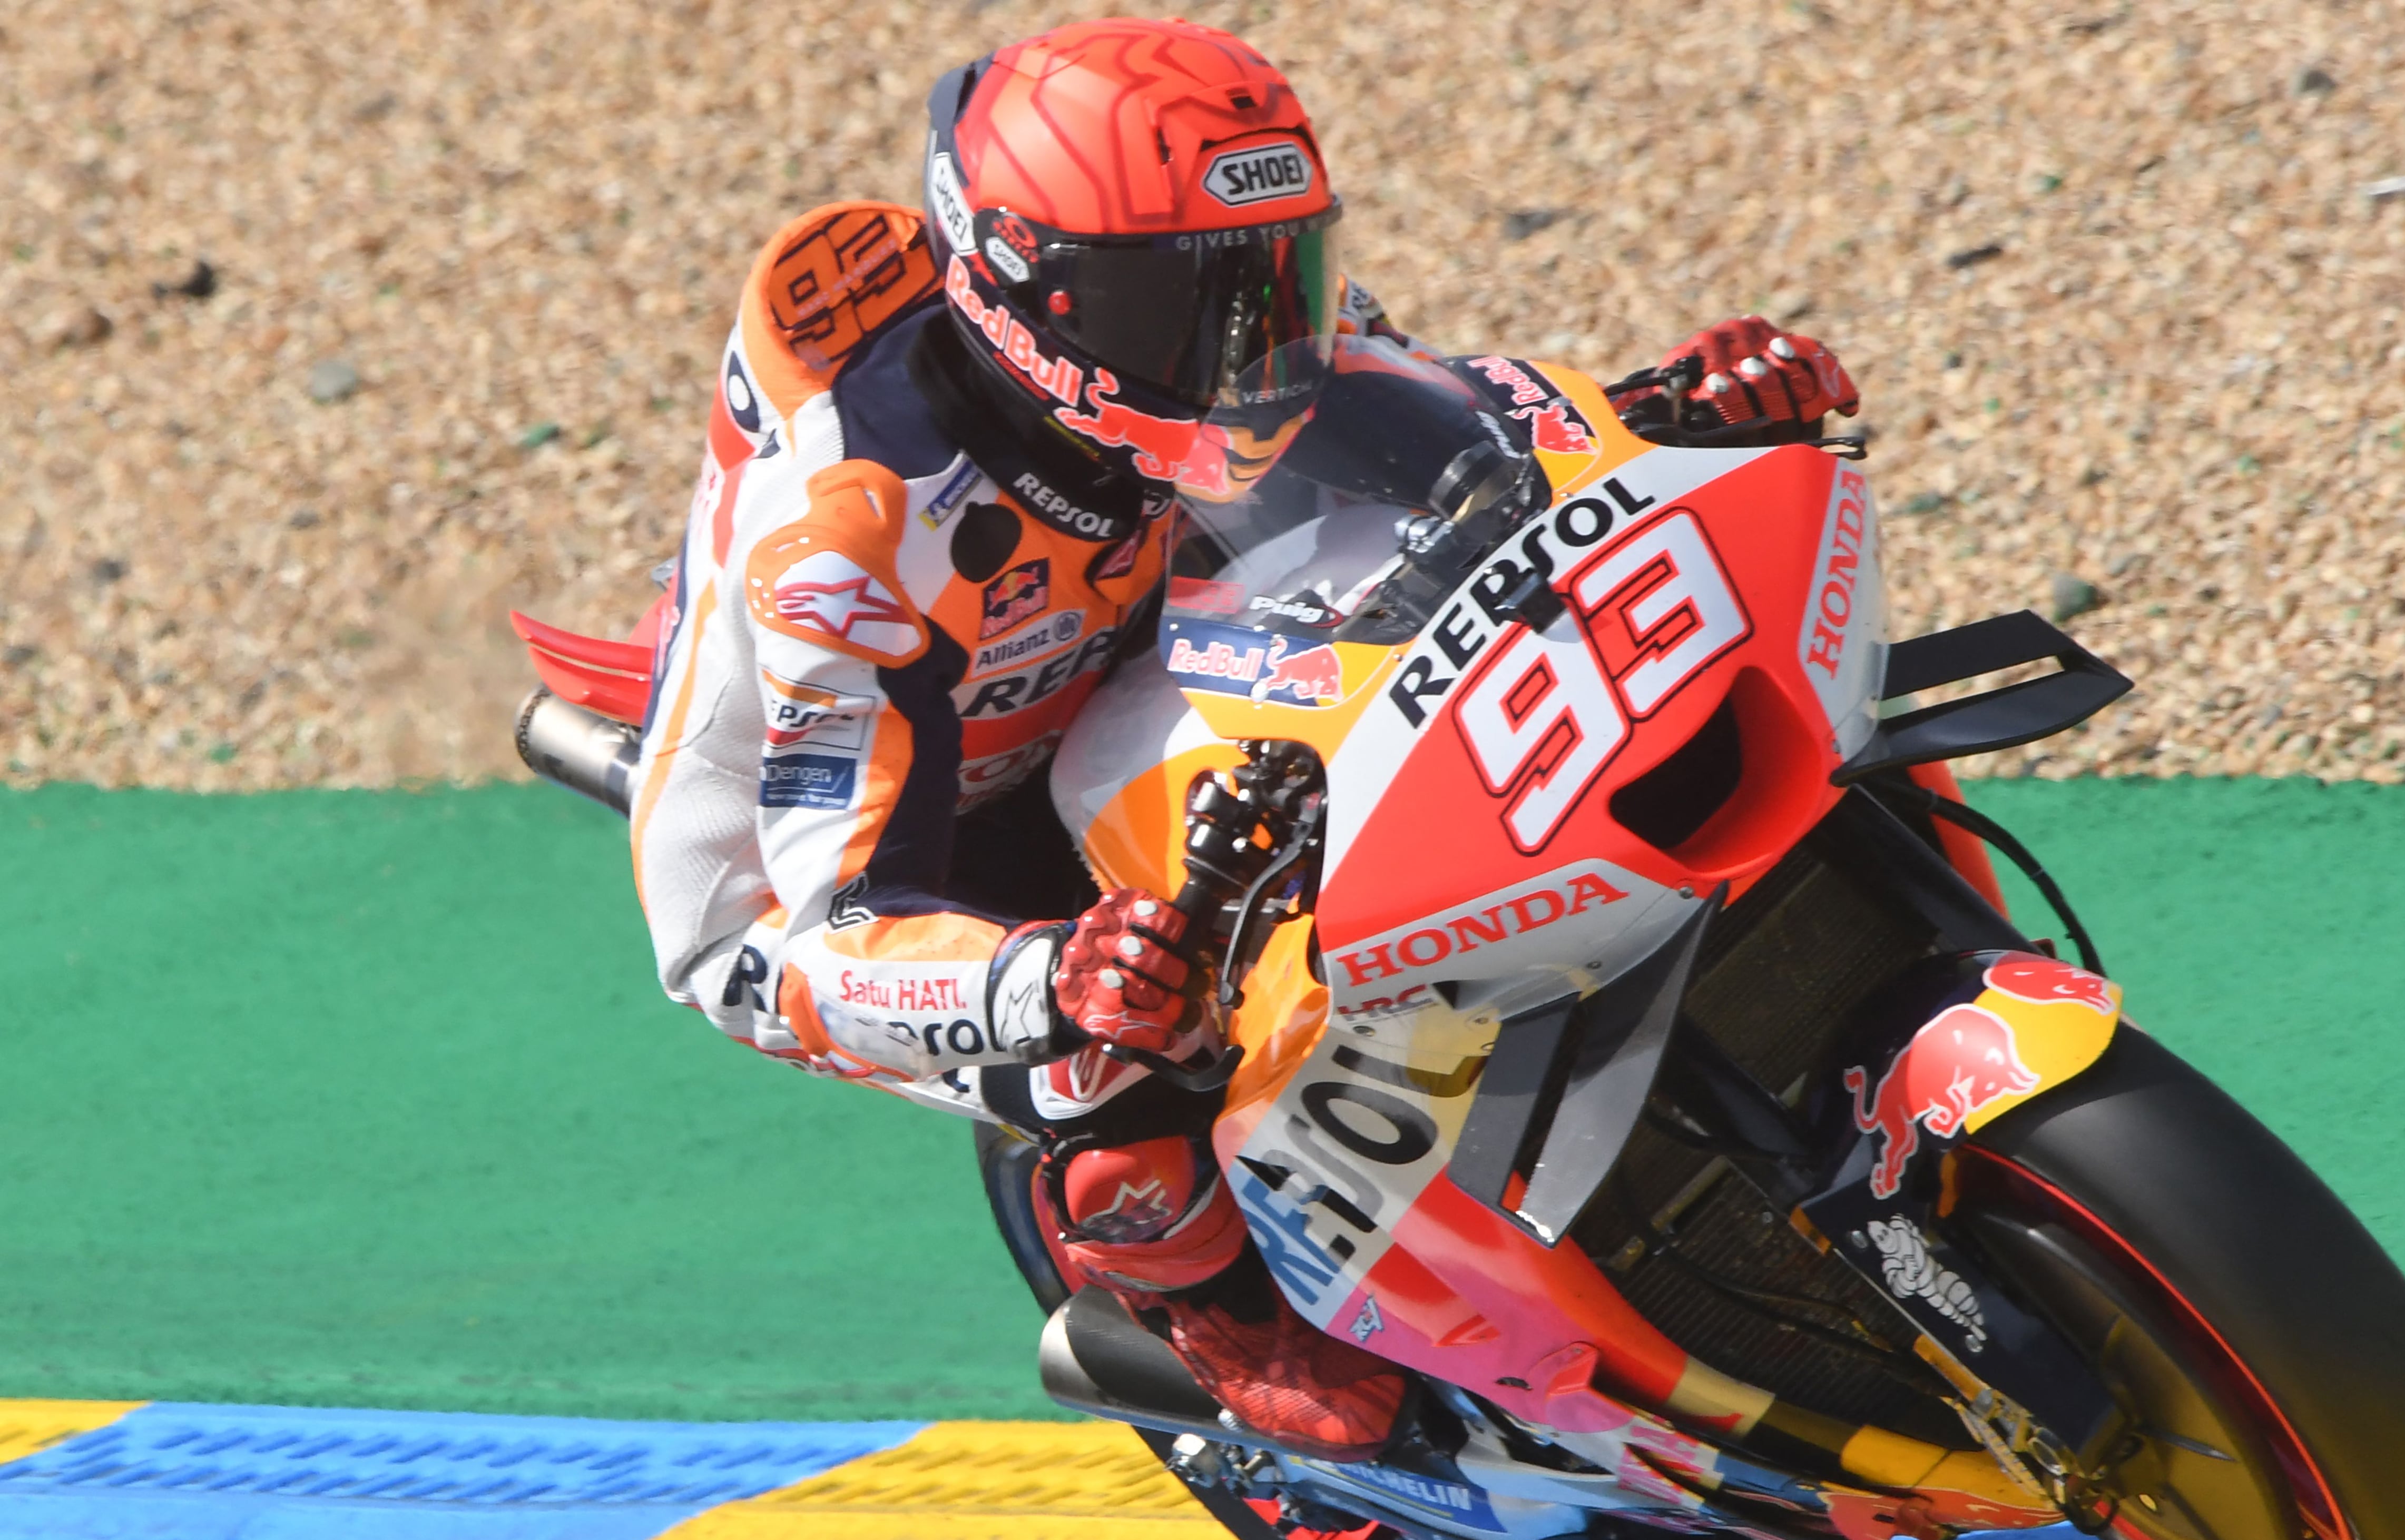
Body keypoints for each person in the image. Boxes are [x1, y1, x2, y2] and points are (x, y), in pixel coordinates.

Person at [630, 16, 1860, 1462]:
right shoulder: (853, 539)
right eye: (1194, 310)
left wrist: (1659, 416)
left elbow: (1436, 437)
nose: (1254, 342)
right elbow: (835, 921)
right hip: (866, 843)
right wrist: (1043, 974)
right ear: (1037, 302)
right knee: (1122, 1046)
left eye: (1282, 271)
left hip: (1121, 654)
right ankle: (1199, 1295)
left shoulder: (1208, 328)